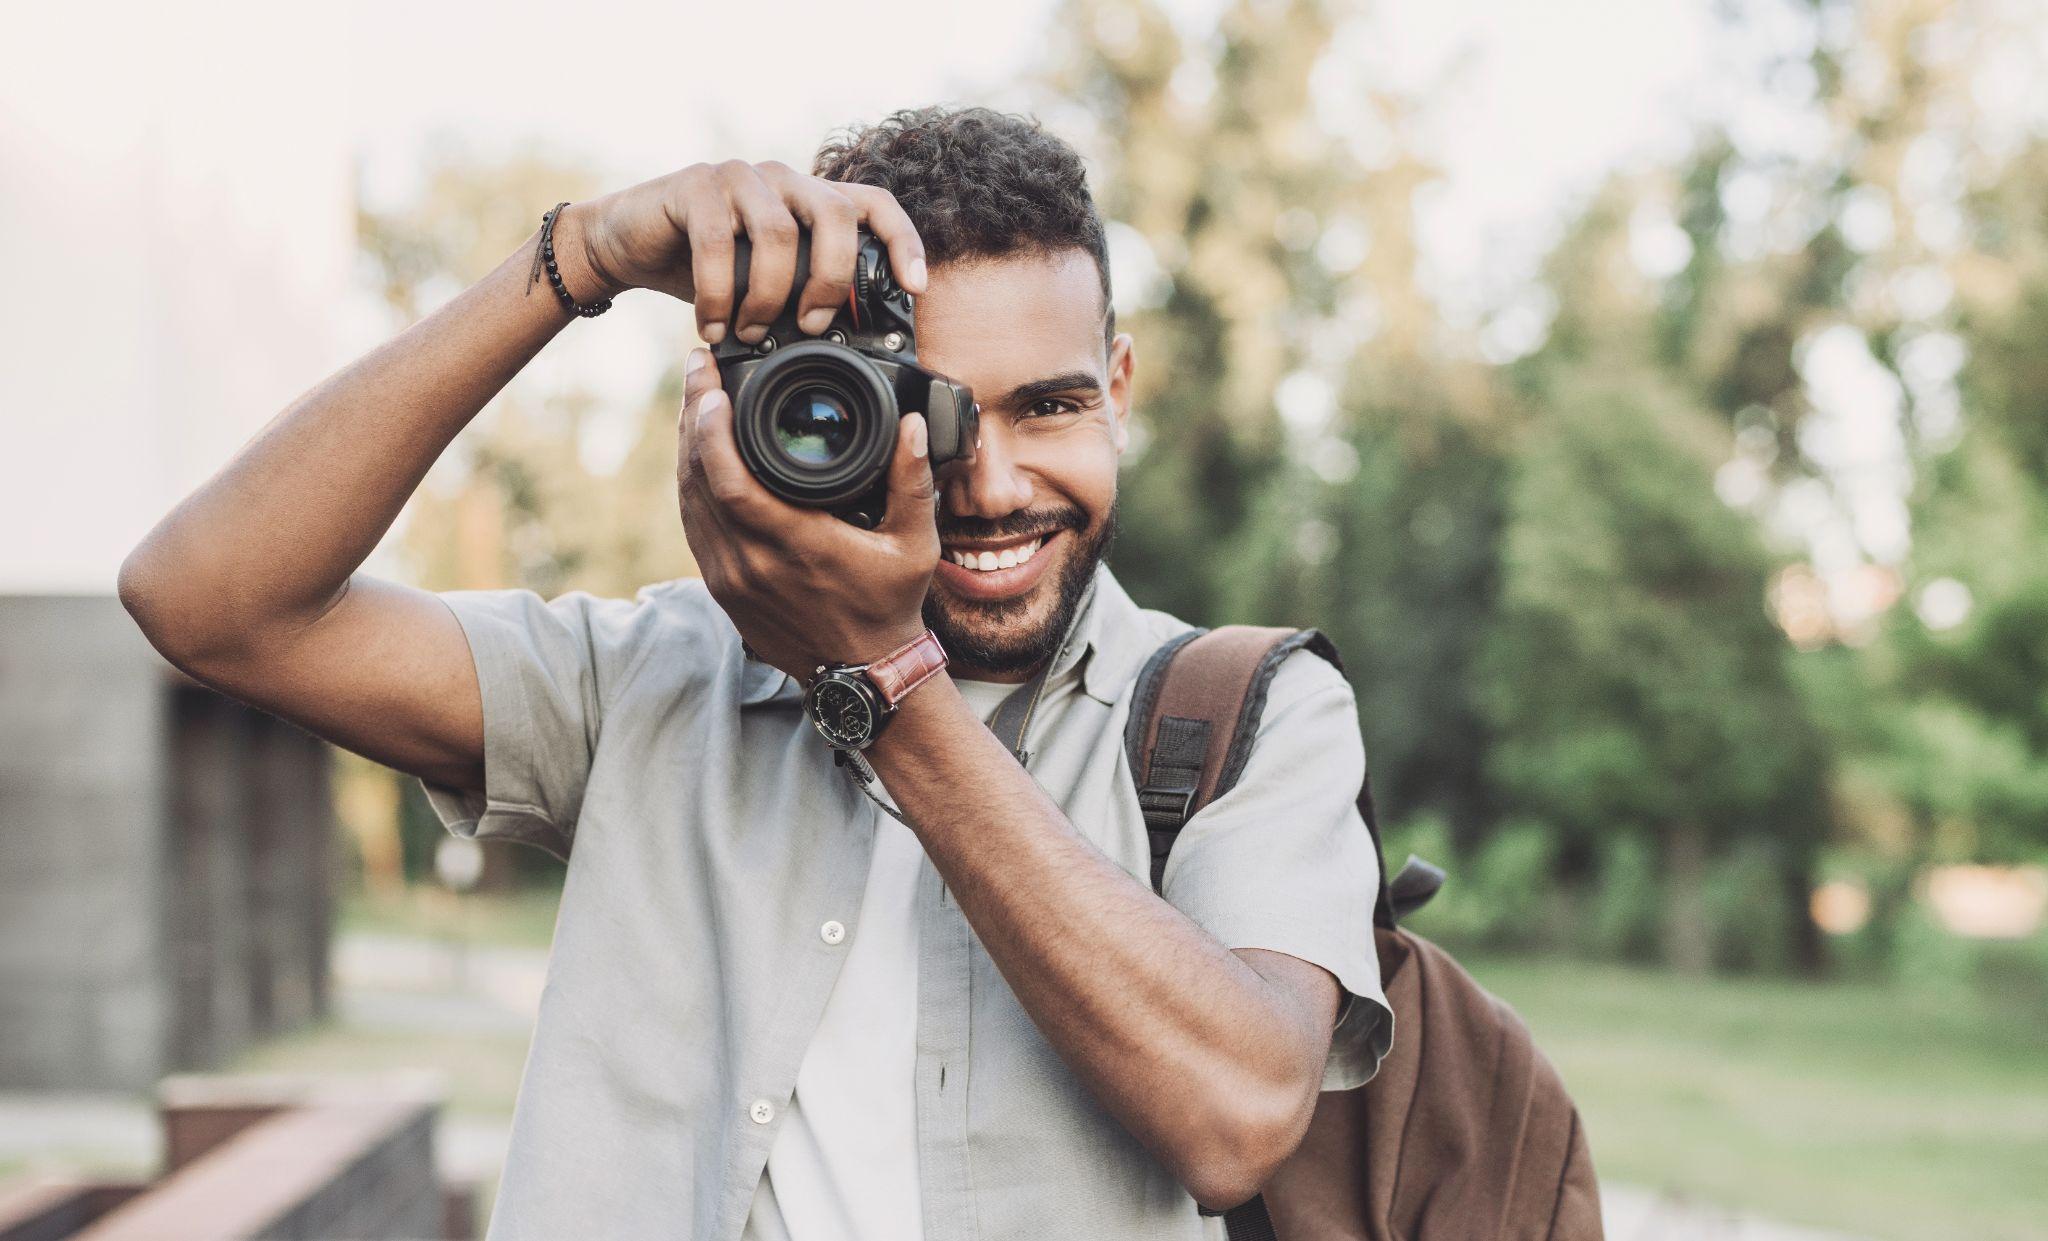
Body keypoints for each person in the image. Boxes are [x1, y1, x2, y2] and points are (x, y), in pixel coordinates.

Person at [120, 105, 1391, 1241]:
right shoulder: (647, 683)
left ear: (1117, 389)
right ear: (797, 407)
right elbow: (211, 602)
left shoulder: (1245, 711)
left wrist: (880, 677)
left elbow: (1234, 1114)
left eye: (1048, 407)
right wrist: (580, 260)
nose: (995, 487)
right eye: (934, 414)